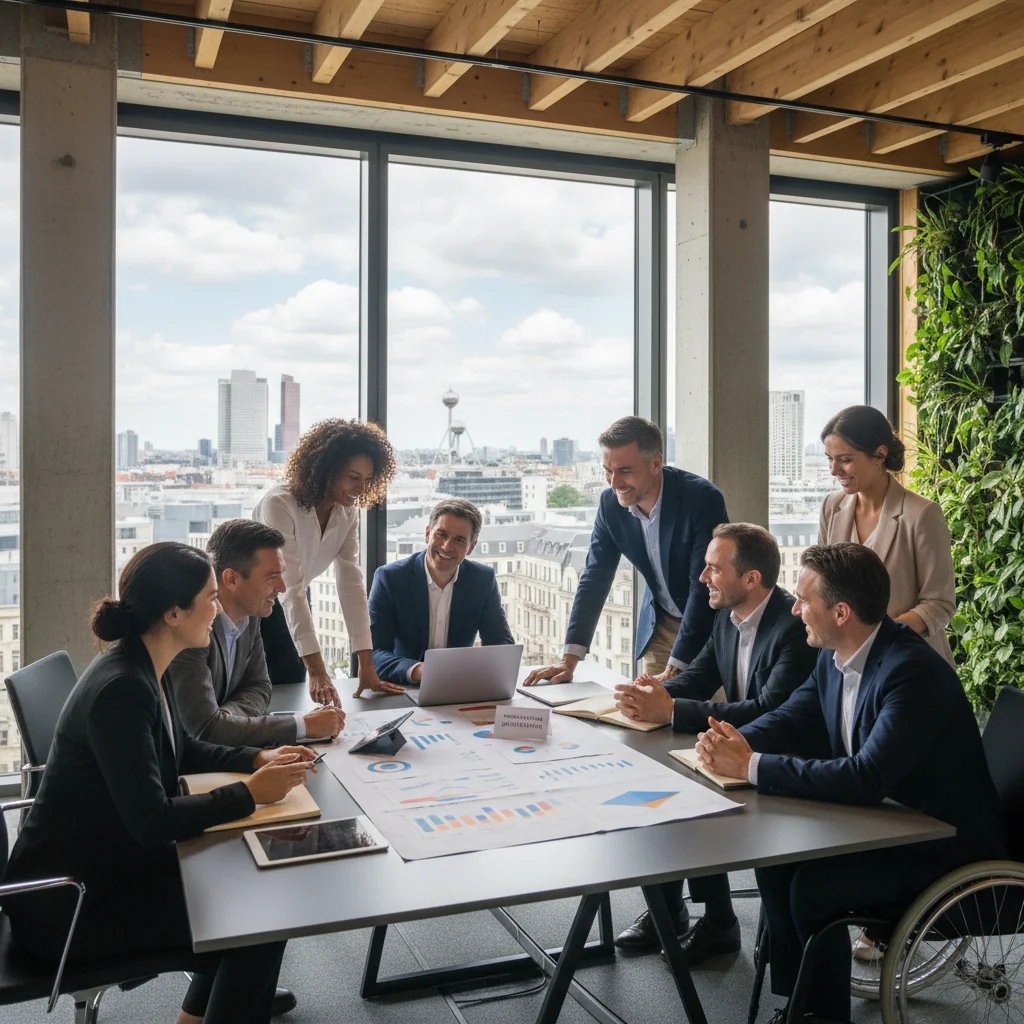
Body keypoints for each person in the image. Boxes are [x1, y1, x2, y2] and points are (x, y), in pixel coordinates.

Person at [3, 542, 319, 1024]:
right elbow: (153, 821)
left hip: (106, 869)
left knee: (252, 897)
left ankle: (212, 1009)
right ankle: (230, 1000)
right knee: (260, 922)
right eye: (211, 598)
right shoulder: (122, 690)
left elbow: (181, 748)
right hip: (71, 907)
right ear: (173, 612)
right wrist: (250, 795)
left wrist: (256, 756)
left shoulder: (142, 663)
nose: (217, 611)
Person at [695, 543, 1006, 1024]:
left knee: (813, 888)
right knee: (777, 864)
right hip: (884, 824)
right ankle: (798, 1004)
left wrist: (750, 766)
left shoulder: (911, 674)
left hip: (941, 849)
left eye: (803, 601)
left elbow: (866, 776)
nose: (793, 609)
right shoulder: (835, 655)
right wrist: (726, 743)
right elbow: (792, 718)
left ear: (841, 612)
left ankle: (823, 1016)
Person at [611, 524, 818, 959]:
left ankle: (721, 922)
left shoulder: (793, 627)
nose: (703, 578)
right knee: (660, 786)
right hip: (738, 744)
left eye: (712, 569)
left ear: (751, 579)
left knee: (689, 798)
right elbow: (701, 676)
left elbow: (770, 707)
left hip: (782, 755)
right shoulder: (727, 616)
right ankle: (668, 910)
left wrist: (669, 712)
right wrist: (656, 695)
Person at [524, 416, 728, 690]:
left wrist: (677, 666)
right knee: (649, 718)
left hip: (707, 625)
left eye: (625, 470)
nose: (614, 482)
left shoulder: (701, 499)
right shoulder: (610, 504)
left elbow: (702, 586)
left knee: (697, 720)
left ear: (656, 463)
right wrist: (569, 660)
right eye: (608, 470)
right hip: (660, 624)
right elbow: (595, 576)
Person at [253, 418, 405, 704]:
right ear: (326, 470)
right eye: (353, 476)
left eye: (368, 479)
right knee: (258, 693)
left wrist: (366, 667)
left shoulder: (346, 513)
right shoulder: (279, 504)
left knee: (291, 691)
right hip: (248, 605)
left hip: (290, 597)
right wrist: (318, 671)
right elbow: (291, 586)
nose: (361, 488)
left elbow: (351, 584)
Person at [168, 520, 345, 749]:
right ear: (231, 579)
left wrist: (228, 716)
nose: (282, 587)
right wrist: (302, 725)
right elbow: (205, 730)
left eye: (281, 575)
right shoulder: (192, 626)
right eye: (272, 577)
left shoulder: (251, 615)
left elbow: (259, 686)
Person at [820, 405, 955, 666]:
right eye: (829, 458)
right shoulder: (830, 508)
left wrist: (876, 638)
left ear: (880, 455)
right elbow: (822, 586)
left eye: (845, 459)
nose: (834, 470)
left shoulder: (922, 514)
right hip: (844, 662)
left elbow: (939, 604)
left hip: (909, 662)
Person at [368, 497, 514, 684]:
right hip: (402, 687)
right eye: (441, 534)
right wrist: (419, 670)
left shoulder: (482, 580)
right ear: (428, 534)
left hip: (458, 687)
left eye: (459, 540)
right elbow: (375, 652)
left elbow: (501, 645)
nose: (447, 546)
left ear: (471, 547)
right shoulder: (390, 578)